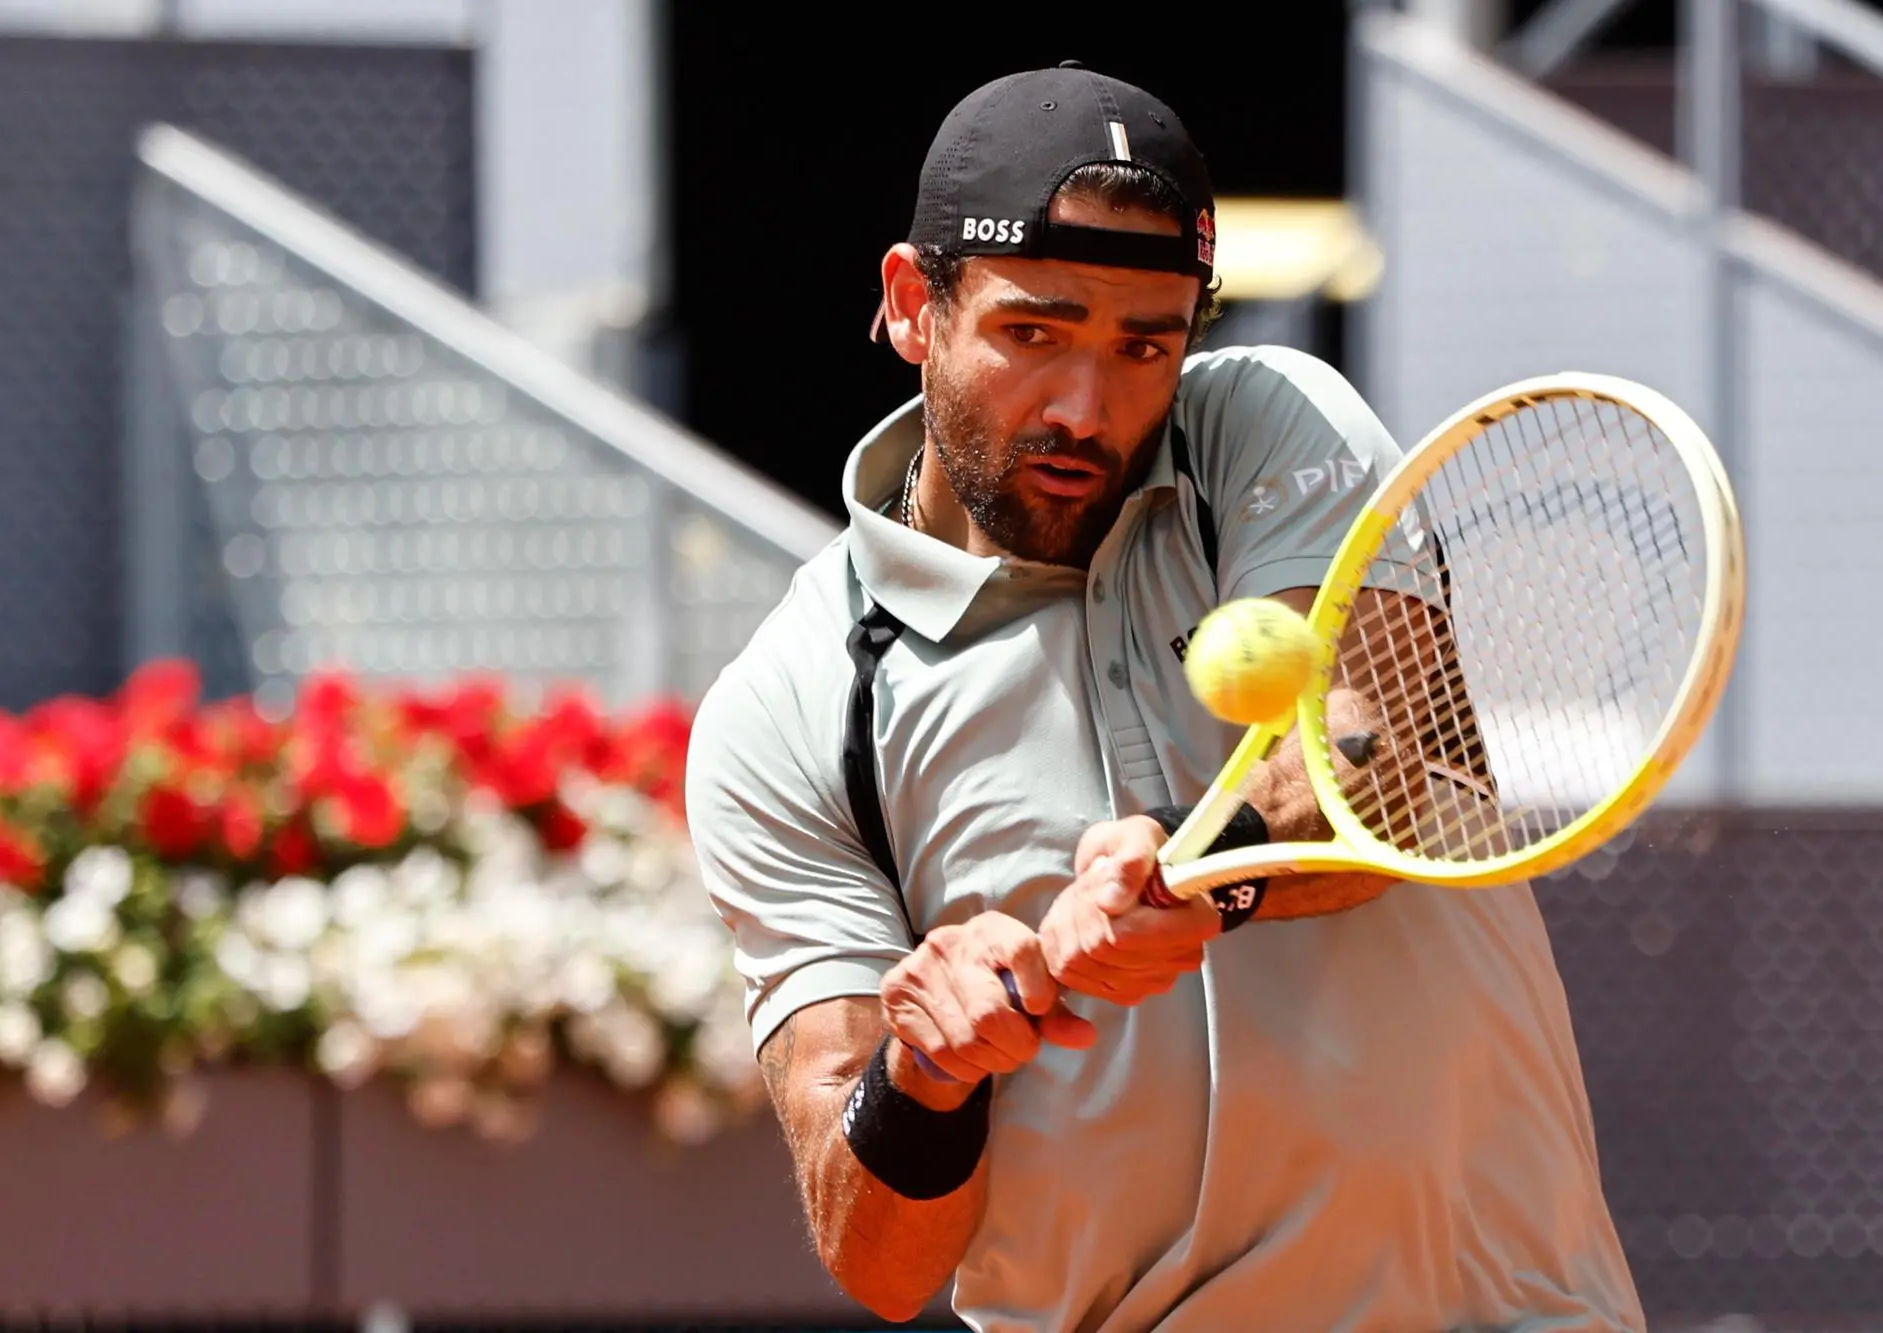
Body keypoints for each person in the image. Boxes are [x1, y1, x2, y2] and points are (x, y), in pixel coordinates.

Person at [684, 61, 1644, 1333]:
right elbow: (879, 1260)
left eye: (1145, 345)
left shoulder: (1265, 420)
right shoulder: (786, 707)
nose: (1087, 409)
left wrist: (1191, 874)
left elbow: (1372, 751)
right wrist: (926, 1071)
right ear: (914, 305)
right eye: (1034, 333)